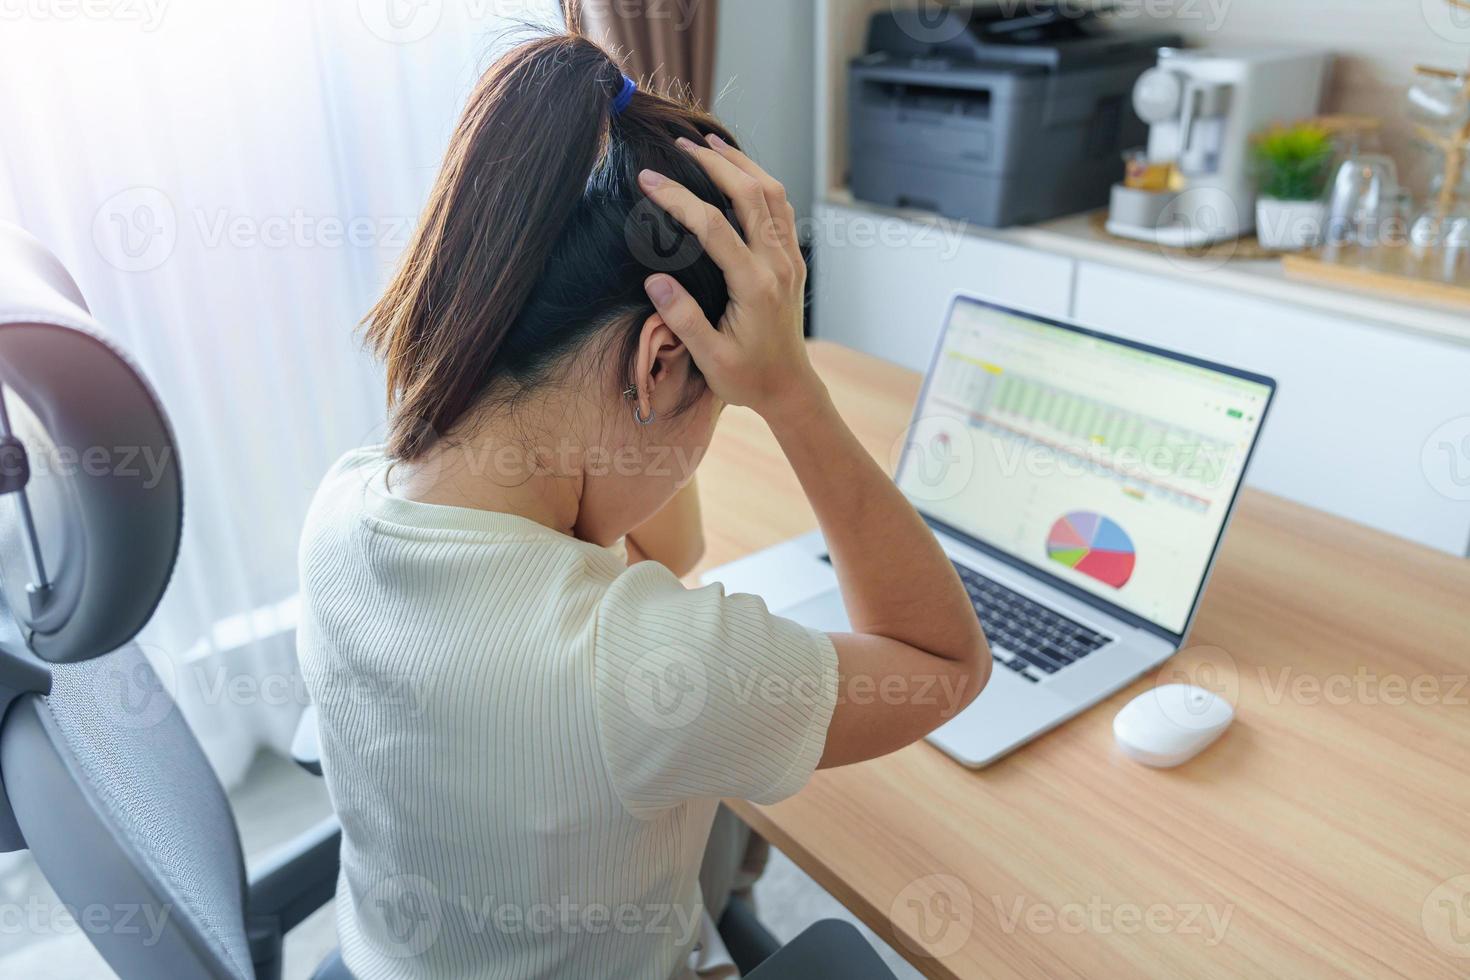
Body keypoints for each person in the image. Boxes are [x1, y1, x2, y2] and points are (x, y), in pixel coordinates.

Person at [297, 29, 990, 980]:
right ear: (664, 361)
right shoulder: (632, 668)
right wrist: (790, 389)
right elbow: (943, 661)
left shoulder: (344, 505)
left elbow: (668, 555)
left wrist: (656, 390)